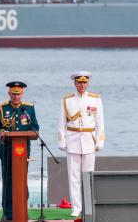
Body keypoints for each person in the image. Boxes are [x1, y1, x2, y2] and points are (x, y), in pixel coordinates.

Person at [57, 71, 105, 219]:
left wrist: (99, 141)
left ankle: (88, 206)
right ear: (75, 83)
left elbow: (100, 123)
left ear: (88, 83)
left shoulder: (95, 99)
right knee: (74, 177)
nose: (82, 85)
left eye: (84, 82)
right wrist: (62, 141)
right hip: (72, 140)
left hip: (89, 140)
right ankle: (77, 208)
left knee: (88, 175)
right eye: (79, 82)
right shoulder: (67, 100)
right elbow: (61, 123)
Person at [0, 81, 39, 222]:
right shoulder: (1, 108)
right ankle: (7, 213)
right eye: (13, 94)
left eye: (18, 94)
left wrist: (33, 132)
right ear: (9, 93)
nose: (16, 97)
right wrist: (1, 132)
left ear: (22, 94)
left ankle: (22, 210)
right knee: (8, 181)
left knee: (22, 180)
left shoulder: (28, 109)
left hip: (22, 151)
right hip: (6, 150)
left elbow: (35, 127)